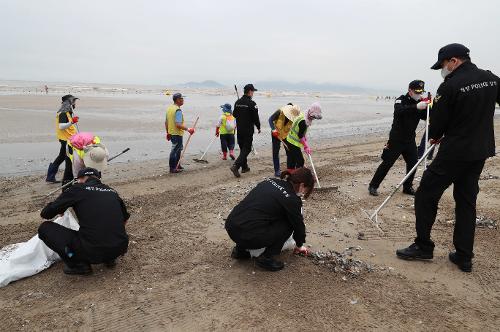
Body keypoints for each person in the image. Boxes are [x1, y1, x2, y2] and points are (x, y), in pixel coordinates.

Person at [397, 44, 500, 272]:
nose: (444, 70)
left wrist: (435, 135)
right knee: (466, 201)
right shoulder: (492, 79)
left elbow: (438, 123)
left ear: (453, 61)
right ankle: (464, 255)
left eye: (443, 65)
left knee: (425, 194)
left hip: (454, 152)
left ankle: (423, 246)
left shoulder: (451, 85)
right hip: (480, 151)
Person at [38, 167, 130, 275]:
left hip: (92, 251)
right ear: (98, 178)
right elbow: (125, 219)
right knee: (102, 226)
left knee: (45, 228)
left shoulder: (77, 189)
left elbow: (46, 214)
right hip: (119, 248)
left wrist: (62, 205)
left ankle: (77, 263)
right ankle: (109, 258)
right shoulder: (112, 192)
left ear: (80, 179)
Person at [225, 168, 314, 271]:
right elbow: (298, 226)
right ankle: (266, 258)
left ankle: (240, 251)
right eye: (305, 190)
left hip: (231, 226)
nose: (303, 193)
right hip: (248, 235)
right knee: (289, 223)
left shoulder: (269, 181)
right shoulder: (292, 199)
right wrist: (299, 245)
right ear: (302, 185)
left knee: (255, 216)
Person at [368, 80, 429, 196]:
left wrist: (428, 107)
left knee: (413, 163)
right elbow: (400, 111)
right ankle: (373, 185)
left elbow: (424, 116)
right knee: (387, 163)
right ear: (410, 91)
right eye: (417, 92)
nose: (419, 94)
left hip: (410, 139)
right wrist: (416, 106)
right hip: (396, 139)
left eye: (421, 92)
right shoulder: (400, 100)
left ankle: (407, 187)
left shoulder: (419, 102)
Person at [46, 95, 80, 185]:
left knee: (62, 156)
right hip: (66, 140)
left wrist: (72, 122)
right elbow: (61, 126)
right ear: (68, 103)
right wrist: (72, 122)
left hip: (69, 138)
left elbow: (69, 126)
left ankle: (50, 176)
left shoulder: (68, 113)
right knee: (69, 158)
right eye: (73, 102)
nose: (74, 104)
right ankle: (68, 177)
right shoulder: (63, 113)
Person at [230, 84, 261, 178]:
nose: (253, 94)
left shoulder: (237, 102)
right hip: (248, 130)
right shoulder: (252, 103)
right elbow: (256, 117)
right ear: (250, 92)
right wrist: (259, 127)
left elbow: (234, 114)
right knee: (247, 149)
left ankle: (244, 167)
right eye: (253, 92)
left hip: (239, 130)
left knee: (242, 148)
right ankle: (236, 166)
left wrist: (242, 112)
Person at [284, 103, 322, 171]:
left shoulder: (304, 114)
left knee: (291, 158)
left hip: (289, 138)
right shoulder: (303, 121)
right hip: (293, 142)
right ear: (311, 113)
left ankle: (291, 173)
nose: (314, 119)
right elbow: (300, 135)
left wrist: (304, 138)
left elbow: (301, 131)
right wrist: (306, 146)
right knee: (300, 161)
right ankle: (298, 175)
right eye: (313, 117)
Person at [165, 93, 195, 173]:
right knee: (175, 150)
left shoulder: (169, 108)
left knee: (178, 149)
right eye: (182, 98)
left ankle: (178, 165)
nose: (183, 100)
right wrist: (188, 129)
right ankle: (172, 168)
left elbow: (166, 122)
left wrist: (167, 132)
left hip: (171, 132)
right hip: (176, 133)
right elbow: (178, 124)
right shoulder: (177, 110)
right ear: (178, 100)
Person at [269, 103, 301, 177]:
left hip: (285, 135)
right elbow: (270, 119)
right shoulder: (280, 112)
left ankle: (290, 169)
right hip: (275, 134)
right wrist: (273, 130)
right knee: (275, 152)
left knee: (289, 151)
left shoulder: (294, 119)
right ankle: (277, 171)